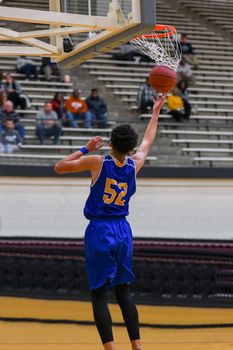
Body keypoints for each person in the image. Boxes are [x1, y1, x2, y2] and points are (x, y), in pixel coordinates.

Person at [54, 94, 167, 350]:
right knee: (124, 291)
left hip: (100, 229)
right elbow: (148, 141)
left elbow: (59, 166)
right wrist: (155, 112)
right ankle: (137, 346)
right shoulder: (134, 165)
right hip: (123, 231)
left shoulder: (97, 162)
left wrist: (85, 148)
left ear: (110, 142)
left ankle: (110, 348)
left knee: (98, 293)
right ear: (130, 148)